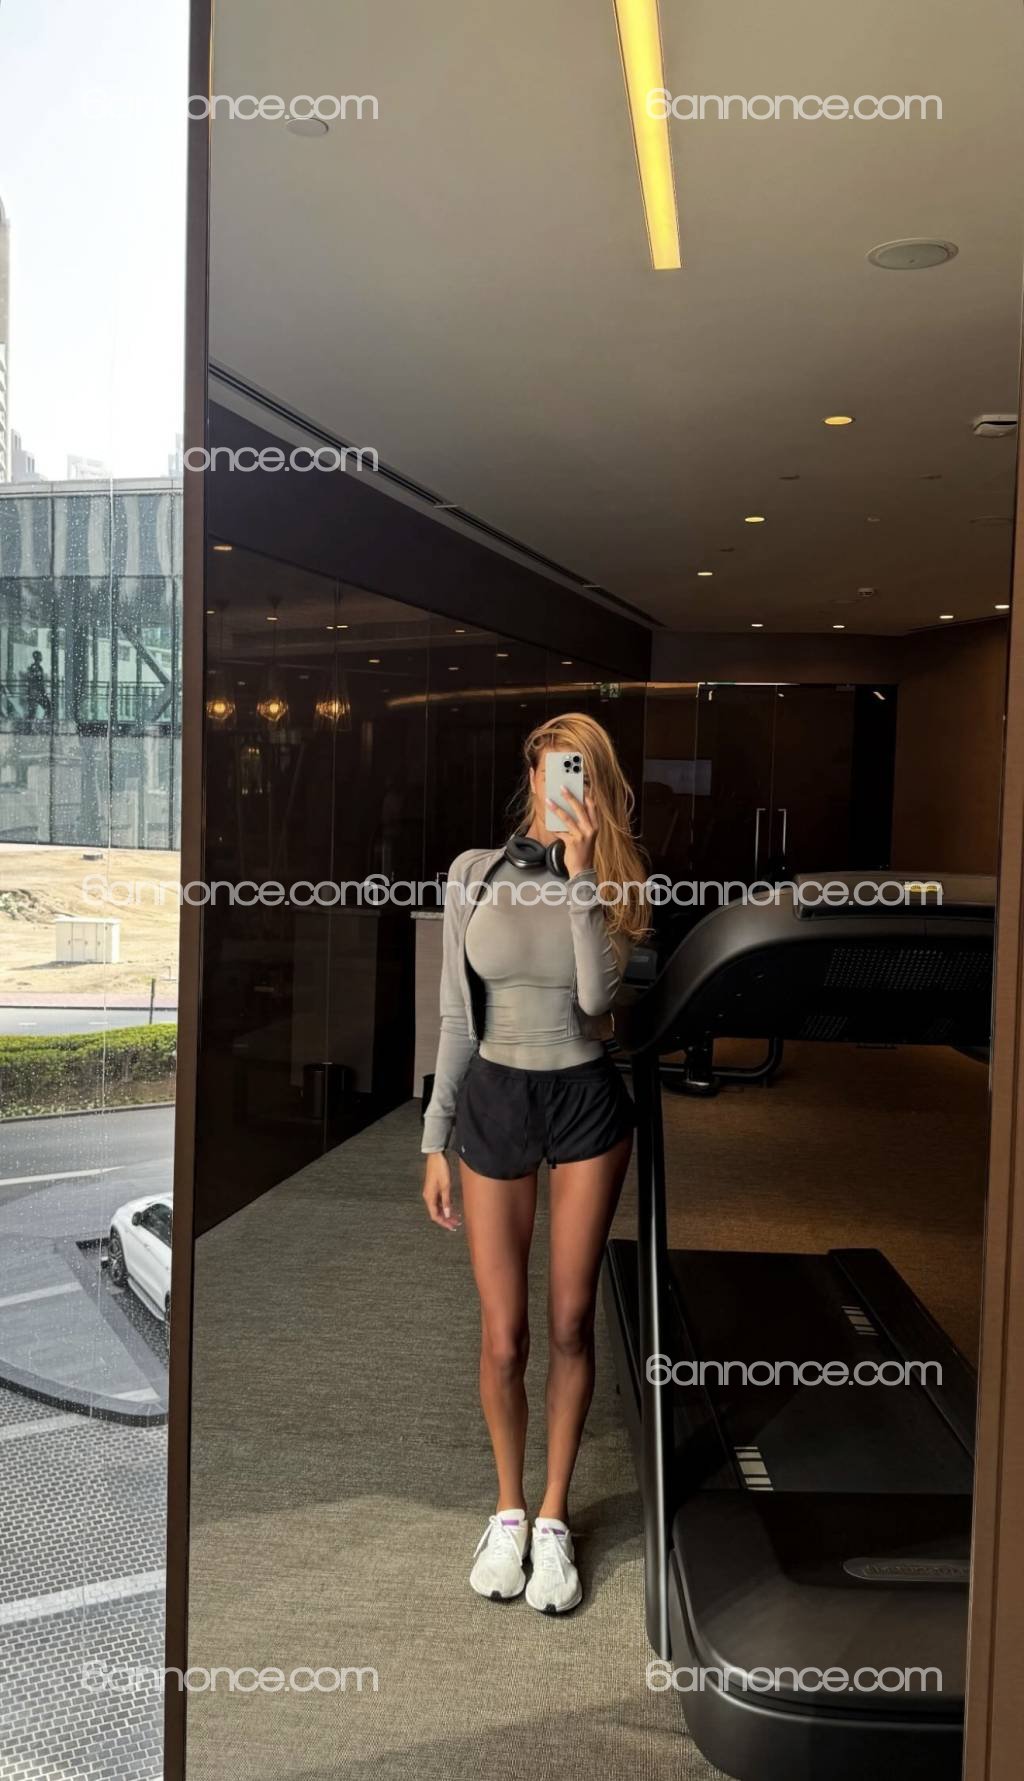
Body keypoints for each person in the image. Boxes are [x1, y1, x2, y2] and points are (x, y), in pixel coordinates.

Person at [421, 712, 648, 1614]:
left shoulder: (619, 883)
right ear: (532, 778)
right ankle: (508, 1509)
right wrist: (434, 1137)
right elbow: (454, 1013)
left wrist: (582, 876)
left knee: (569, 1323)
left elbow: (596, 1001)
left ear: (599, 786)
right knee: (503, 1333)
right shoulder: (472, 874)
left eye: (580, 774)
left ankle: (554, 1517)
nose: (565, 791)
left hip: (584, 1095)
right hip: (496, 1096)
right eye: (554, 772)